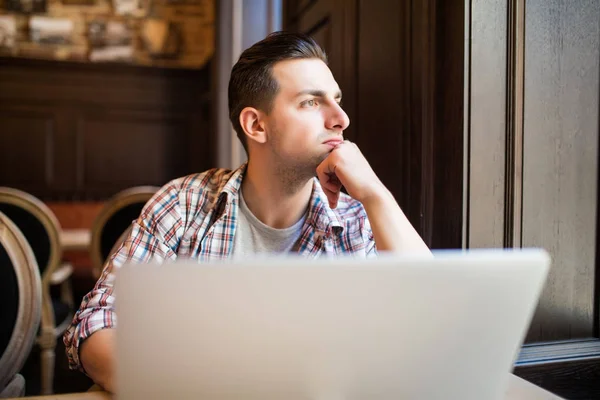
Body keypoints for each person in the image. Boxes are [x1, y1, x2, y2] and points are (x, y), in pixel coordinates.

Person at [63, 31, 430, 392]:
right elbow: (97, 322)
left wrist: (375, 194)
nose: (341, 118)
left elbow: (430, 322)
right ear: (256, 124)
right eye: (310, 102)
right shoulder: (183, 204)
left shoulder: (356, 220)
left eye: (336, 99)